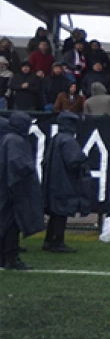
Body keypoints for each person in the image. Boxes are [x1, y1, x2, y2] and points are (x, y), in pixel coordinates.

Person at [0, 113, 45, 270]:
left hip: (8, 189)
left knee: (6, 224)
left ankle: (5, 257)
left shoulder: (8, 139)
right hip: (14, 190)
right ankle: (11, 258)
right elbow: (19, 165)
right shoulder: (15, 141)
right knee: (13, 224)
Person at [41, 112, 90, 253]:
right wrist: (83, 159)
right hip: (65, 182)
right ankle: (58, 242)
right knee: (61, 213)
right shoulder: (69, 141)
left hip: (54, 181)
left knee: (55, 213)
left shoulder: (56, 138)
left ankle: (49, 240)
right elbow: (73, 161)